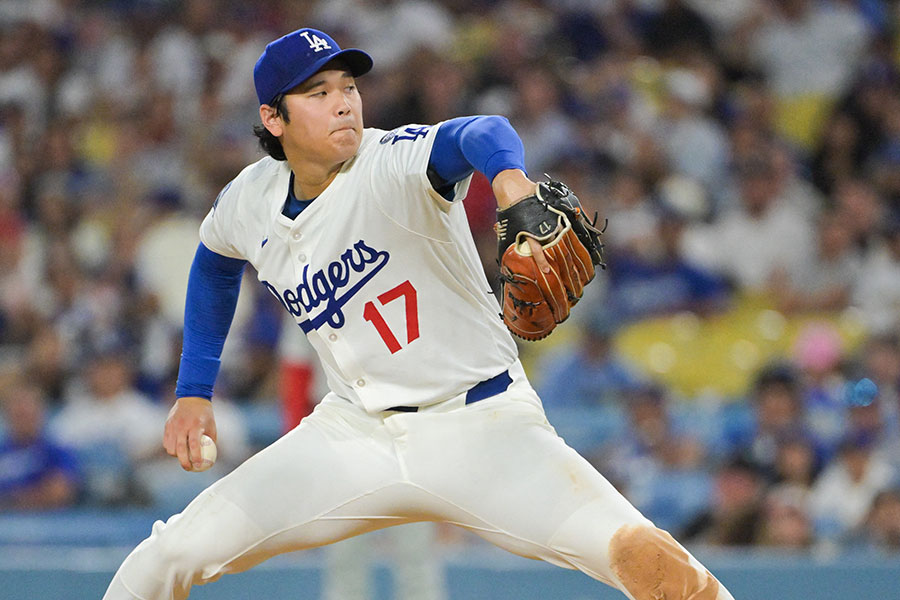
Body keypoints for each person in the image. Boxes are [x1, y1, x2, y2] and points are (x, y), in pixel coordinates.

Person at [102, 27, 736, 600]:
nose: (344, 101)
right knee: (167, 557)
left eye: (348, 86)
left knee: (654, 565)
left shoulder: (392, 162)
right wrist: (193, 390)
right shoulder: (250, 199)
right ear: (273, 117)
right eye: (317, 92)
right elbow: (213, 262)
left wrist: (511, 183)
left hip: (484, 427)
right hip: (352, 436)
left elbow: (482, 132)